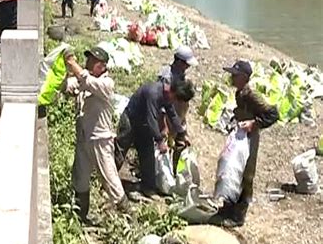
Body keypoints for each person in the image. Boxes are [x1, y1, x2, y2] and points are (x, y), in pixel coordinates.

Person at [64, 46, 130, 224]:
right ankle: (81, 217)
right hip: (84, 138)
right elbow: (71, 84)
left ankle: (128, 219)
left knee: (110, 180)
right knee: (80, 178)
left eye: (92, 61)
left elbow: (85, 79)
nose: (87, 64)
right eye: (88, 60)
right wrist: (63, 81)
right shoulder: (86, 81)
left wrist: (71, 62)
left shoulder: (106, 84)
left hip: (100, 140)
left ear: (101, 66)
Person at [211, 60, 278, 227]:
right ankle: (228, 207)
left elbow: (273, 114)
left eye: (235, 75)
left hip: (250, 138)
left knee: (246, 174)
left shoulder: (251, 94)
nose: (232, 77)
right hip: (239, 134)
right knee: (230, 168)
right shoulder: (239, 93)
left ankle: (238, 216)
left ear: (244, 77)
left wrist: (254, 124)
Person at [114, 79, 195, 198]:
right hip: (131, 120)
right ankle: (108, 182)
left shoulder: (168, 96)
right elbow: (151, 119)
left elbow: (172, 114)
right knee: (120, 152)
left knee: (148, 155)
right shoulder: (153, 93)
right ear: (174, 94)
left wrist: (182, 133)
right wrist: (160, 141)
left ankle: (148, 187)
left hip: (144, 124)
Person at [158, 45, 198, 171]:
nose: (188, 67)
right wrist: (163, 125)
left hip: (179, 116)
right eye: (186, 64)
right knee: (164, 145)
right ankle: (162, 171)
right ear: (179, 62)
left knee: (181, 144)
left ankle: (174, 170)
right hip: (168, 118)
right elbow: (162, 103)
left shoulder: (182, 76)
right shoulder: (167, 77)